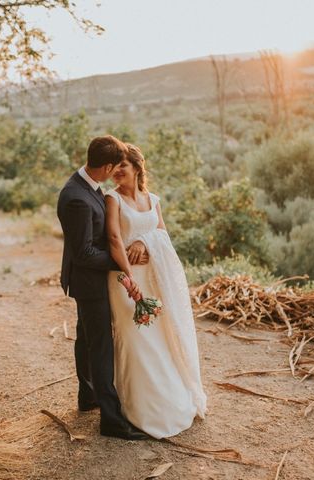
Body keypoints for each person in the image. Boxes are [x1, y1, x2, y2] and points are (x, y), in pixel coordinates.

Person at [104, 144, 207, 439]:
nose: (117, 171)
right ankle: (138, 409)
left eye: (122, 165)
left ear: (137, 167)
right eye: (113, 167)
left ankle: (169, 400)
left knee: (159, 338)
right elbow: (113, 238)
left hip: (153, 278)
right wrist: (127, 274)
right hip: (125, 280)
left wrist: (145, 242)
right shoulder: (112, 199)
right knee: (136, 339)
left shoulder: (152, 199)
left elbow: (162, 233)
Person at [56, 135, 150, 440]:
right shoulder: (77, 198)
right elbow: (83, 252)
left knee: (86, 338)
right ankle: (111, 421)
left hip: (92, 279)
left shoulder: (88, 187)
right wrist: (120, 262)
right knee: (101, 346)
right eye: (115, 167)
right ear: (106, 165)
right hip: (89, 281)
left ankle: (88, 395)